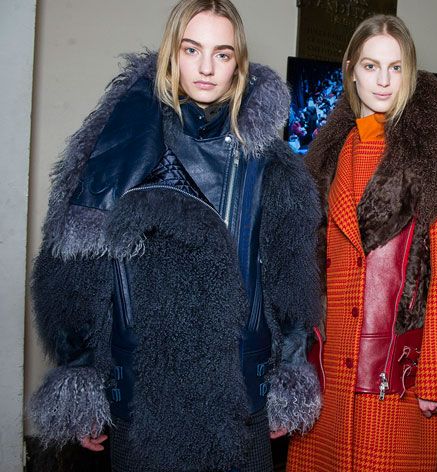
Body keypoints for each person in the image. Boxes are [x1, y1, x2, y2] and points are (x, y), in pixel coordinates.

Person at [27, 1, 321, 470]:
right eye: (192, 49)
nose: (206, 67)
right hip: (144, 396)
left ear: (238, 65)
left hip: (238, 397)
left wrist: (288, 376)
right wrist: (79, 376)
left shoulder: (271, 163)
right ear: (171, 53)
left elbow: (290, 284)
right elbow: (75, 280)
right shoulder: (117, 147)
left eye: (222, 54)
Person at [286, 14, 437, 472]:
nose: (383, 80)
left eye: (396, 68)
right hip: (330, 368)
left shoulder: (435, 154)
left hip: (394, 368)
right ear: (351, 69)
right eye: (372, 66)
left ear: (410, 75)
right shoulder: (329, 154)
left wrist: (433, 377)